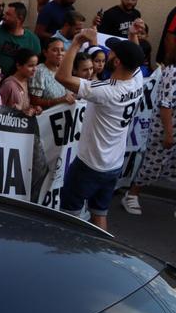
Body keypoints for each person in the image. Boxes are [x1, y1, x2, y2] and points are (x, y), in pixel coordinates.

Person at [55, 32, 145, 230]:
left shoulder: (106, 91)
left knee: (68, 217)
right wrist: (133, 36)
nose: (107, 53)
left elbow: (62, 77)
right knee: (99, 212)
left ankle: (65, 248)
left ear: (117, 62)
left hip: (90, 164)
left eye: (111, 53)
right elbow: (136, 58)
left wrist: (76, 42)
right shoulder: (137, 79)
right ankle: (102, 248)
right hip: (114, 164)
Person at [121, 60, 176, 215]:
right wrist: (169, 133)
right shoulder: (172, 72)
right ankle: (132, 195)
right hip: (166, 128)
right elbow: (165, 105)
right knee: (153, 164)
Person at [0, 2, 40, 74]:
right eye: (5, 14)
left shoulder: (32, 40)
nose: (4, 17)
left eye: (8, 14)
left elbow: (35, 64)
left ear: (20, 18)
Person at [29, 36, 77, 111]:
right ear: (45, 52)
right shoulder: (39, 71)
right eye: (55, 50)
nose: (60, 53)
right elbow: (34, 101)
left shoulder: (62, 70)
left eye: (62, 50)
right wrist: (60, 100)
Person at [0, 48, 38, 114]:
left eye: (36, 65)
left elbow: (25, 106)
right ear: (18, 66)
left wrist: (33, 109)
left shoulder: (27, 81)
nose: (34, 69)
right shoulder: (9, 85)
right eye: (30, 66)